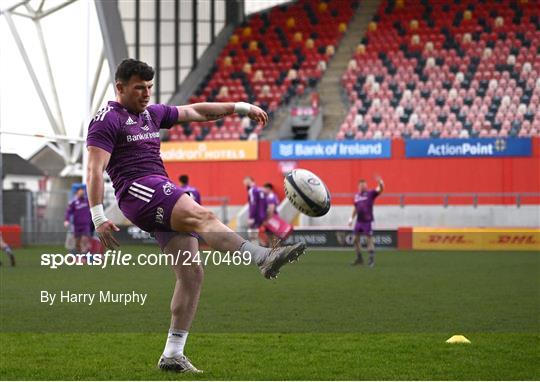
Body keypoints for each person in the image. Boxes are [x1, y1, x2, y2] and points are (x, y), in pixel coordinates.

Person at [86, 59, 305, 373]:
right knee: (202, 214)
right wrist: (97, 216)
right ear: (119, 87)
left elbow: (197, 112)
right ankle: (262, 257)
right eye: (139, 88)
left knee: (191, 274)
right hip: (139, 191)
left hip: (158, 188)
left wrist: (241, 107)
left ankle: (173, 354)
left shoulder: (151, 114)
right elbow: (94, 168)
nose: (146, 93)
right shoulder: (107, 120)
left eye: (149, 87)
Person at [348, 177, 384, 267]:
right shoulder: (357, 196)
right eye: (360, 185)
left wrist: (380, 183)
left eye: (364, 185)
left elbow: (380, 190)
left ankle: (371, 259)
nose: (362, 187)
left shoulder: (370, 193)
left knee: (369, 240)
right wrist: (351, 219)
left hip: (368, 221)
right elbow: (356, 208)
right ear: (358, 186)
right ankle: (359, 258)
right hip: (359, 221)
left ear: (366, 186)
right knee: (355, 240)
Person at [64, 186, 92, 255]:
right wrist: (66, 220)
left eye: (83, 191)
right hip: (76, 225)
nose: (82, 193)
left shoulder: (87, 201)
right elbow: (68, 212)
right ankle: (78, 254)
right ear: (77, 193)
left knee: (84, 239)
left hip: (85, 224)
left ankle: (84, 254)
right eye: (80, 192)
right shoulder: (73, 202)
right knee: (77, 242)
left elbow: (93, 209)